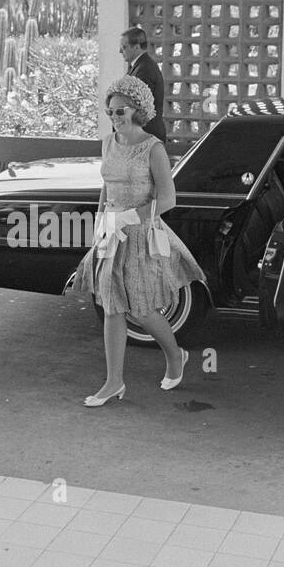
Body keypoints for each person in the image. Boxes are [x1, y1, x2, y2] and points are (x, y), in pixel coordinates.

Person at [73, 76, 205, 407]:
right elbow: (106, 185)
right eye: (110, 111)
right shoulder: (108, 142)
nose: (114, 117)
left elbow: (169, 198)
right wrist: (101, 221)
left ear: (138, 109)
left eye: (121, 111)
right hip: (111, 233)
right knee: (112, 306)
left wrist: (132, 217)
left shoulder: (153, 148)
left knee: (143, 310)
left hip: (141, 233)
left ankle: (175, 356)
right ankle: (114, 382)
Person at [119, 27, 167, 144]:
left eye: (124, 47)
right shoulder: (139, 66)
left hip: (146, 135)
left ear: (137, 46)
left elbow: (138, 105)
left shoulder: (144, 69)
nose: (120, 51)